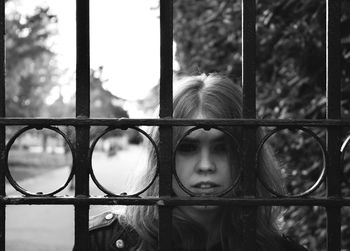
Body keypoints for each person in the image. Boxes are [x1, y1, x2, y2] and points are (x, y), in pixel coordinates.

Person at [75, 74, 308, 251]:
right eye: (187, 148)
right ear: (161, 156)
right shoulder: (104, 242)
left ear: (246, 156)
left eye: (222, 148)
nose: (206, 165)